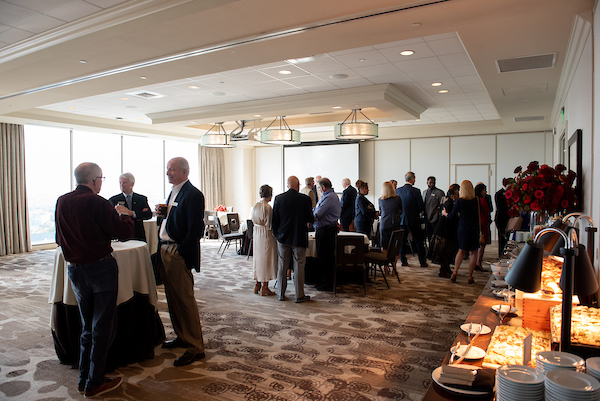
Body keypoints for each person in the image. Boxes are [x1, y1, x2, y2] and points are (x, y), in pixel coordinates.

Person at [55, 162, 134, 397]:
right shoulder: (97, 202)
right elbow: (124, 233)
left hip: (75, 270)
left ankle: (84, 378)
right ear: (94, 180)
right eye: (102, 179)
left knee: (86, 325)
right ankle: (95, 382)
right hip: (100, 269)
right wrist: (125, 217)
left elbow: (59, 238)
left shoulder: (62, 201)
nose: (102, 183)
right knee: (102, 326)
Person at [155, 157, 206, 366]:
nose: (168, 173)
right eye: (167, 169)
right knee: (172, 298)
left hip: (177, 251)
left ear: (185, 172)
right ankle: (182, 336)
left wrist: (181, 252)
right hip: (165, 249)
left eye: (172, 170)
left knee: (184, 300)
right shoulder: (174, 190)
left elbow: (196, 229)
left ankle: (196, 347)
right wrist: (163, 216)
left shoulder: (193, 194)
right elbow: (176, 219)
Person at [272, 176, 314, 303]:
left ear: (287, 185)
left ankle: (280, 294)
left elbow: (274, 221)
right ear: (298, 185)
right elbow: (310, 220)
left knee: (282, 266)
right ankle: (299, 295)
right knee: (299, 267)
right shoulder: (305, 200)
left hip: (283, 238)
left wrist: (278, 235)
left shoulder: (279, 199)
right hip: (299, 237)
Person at [443, 180, 479, 284]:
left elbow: (452, 216)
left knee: (461, 250)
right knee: (473, 252)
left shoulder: (460, 201)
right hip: (474, 228)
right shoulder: (476, 200)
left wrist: (445, 213)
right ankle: (470, 276)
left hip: (463, 228)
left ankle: (455, 272)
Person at [312, 177, 341, 291]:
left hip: (326, 231)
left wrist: (314, 212)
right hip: (324, 230)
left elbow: (317, 213)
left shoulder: (330, 197)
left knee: (326, 258)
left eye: (318, 187)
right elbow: (315, 210)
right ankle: (323, 281)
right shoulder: (326, 197)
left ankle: (327, 284)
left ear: (323, 187)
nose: (318, 189)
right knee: (323, 257)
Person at [396, 172, 428, 267]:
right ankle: (422, 261)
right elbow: (420, 207)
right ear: (413, 179)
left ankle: (403, 261)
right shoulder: (416, 191)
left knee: (402, 241)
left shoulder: (398, 191)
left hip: (401, 219)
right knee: (418, 241)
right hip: (413, 220)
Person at [109, 172, 153, 241]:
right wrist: (139, 213)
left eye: (124, 182)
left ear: (132, 184)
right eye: (120, 182)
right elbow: (112, 217)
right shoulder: (114, 200)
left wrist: (131, 213)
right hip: (121, 234)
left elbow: (148, 214)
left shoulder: (141, 199)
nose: (121, 185)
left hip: (138, 234)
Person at [251, 185, 278, 296]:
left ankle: (257, 284)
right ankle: (265, 287)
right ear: (270, 194)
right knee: (266, 260)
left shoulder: (256, 205)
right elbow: (269, 225)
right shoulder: (267, 208)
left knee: (259, 259)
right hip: (266, 235)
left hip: (257, 233)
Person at [428, 187, 459, 278]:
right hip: (444, 231)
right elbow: (450, 218)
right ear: (452, 196)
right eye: (457, 194)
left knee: (448, 252)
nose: (458, 195)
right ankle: (443, 270)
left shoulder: (451, 203)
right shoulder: (448, 204)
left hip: (446, 231)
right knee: (444, 252)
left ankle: (446, 268)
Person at [378, 181, 402, 269]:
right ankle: (394, 267)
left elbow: (380, 211)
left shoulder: (380, 200)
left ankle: (385, 267)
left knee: (384, 246)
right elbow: (400, 210)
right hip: (394, 223)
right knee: (395, 246)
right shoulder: (397, 199)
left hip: (384, 224)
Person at [475, 182, 492, 272]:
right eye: (484, 190)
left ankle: (475, 262)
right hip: (483, 222)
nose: (485, 192)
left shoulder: (473, 199)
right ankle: (478, 263)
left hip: (475, 223)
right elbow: (487, 211)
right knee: (482, 244)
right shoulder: (482, 200)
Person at [422, 176, 445, 244]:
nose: (432, 184)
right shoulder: (424, 192)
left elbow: (442, 205)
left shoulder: (439, 192)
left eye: (433, 183)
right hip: (426, 217)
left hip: (435, 218)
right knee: (428, 235)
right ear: (427, 183)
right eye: (430, 182)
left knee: (436, 235)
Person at [495, 178, 511, 258]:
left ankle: (507, 253)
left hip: (509, 218)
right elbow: (500, 207)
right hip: (501, 218)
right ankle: (501, 254)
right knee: (501, 237)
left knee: (508, 236)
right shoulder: (499, 194)